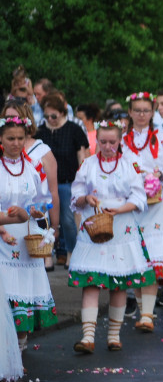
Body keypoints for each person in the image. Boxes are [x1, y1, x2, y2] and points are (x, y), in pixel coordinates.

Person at [68, 120, 155, 353]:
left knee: (118, 285)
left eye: (112, 142)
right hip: (94, 228)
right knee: (91, 283)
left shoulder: (130, 164)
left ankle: (114, 336)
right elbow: (76, 193)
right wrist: (86, 199)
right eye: (103, 141)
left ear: (120, 140)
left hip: (121, 228)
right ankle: (87, 337)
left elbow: (139, 198)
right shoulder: (88, 164)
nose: (107, 146)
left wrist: (119, 209)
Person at [122, 92, 163, 330]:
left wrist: (159, 175)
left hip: (156, 206)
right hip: (132, 205)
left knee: (153, 257)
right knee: (137, 258)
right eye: (137, 110)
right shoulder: (122, 141)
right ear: (130, 112)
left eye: (146, 110)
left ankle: (147, 315)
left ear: (153, 112)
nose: (141, 115)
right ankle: (142, 310)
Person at [0, 115, 55, 350]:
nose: (15, 143)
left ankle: (19, 350)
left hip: (25, 238)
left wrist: (38, 218)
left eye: (20, 138)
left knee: (24, 290)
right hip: (2, 234)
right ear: (1, 139)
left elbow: (43, 204)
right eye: (10, 138)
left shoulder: (33, 168)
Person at [36, 93, 88, 267]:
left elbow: (82, 156)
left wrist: (83, 179)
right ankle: (47, 255)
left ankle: (71, 252)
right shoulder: (40, 130)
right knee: (45, 220)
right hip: (45, 183)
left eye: (53, 115)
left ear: (62, 112)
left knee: (67, 220)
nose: (49, 119)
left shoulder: (74, 129)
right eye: (46, 116)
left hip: (68, 181)